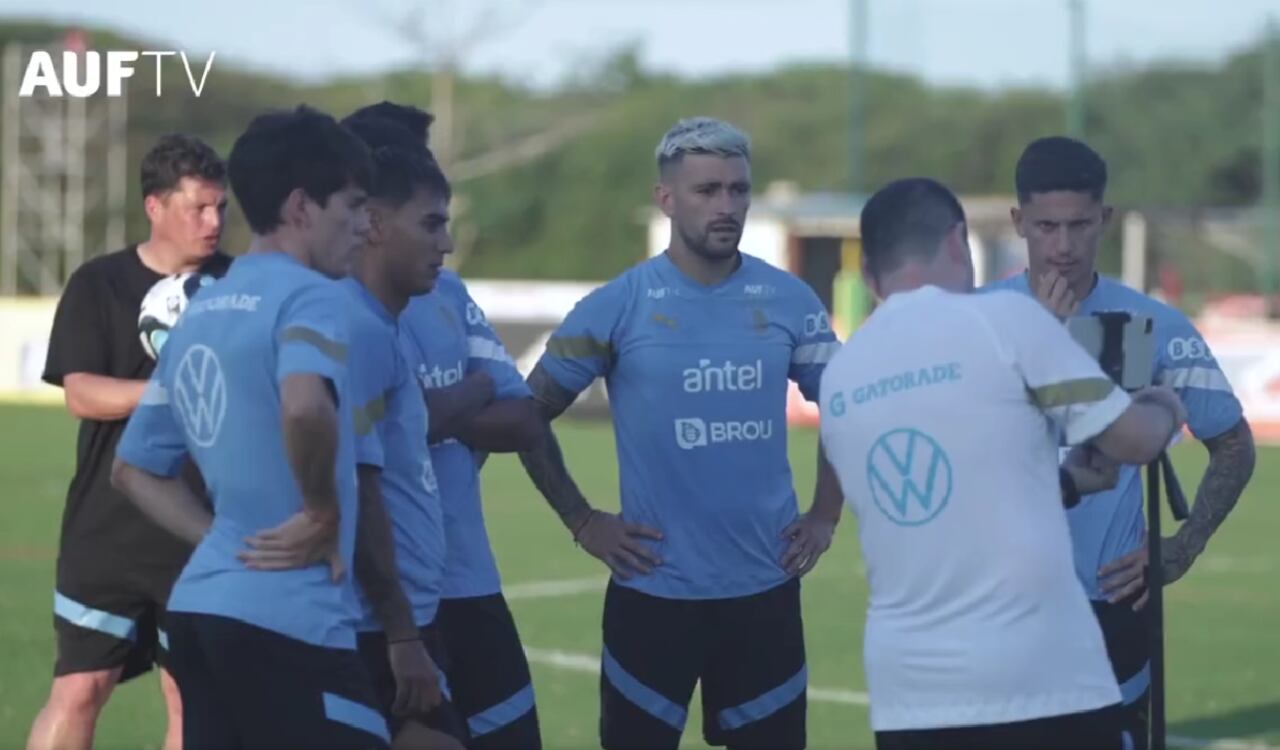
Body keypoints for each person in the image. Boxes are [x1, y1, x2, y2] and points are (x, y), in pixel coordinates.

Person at [817, 176, 1191, 750]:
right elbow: (1136, 442)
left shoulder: (841, 375)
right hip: (1042, 681)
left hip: (908, 698)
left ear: (868, 273)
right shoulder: (1007, 324)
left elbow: (943, 496)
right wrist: (1165, 404)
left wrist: (1064, 482)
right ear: (957, 242)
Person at [518, 116, 843, 750]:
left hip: (764, 592)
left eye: (738, 189)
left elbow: (846, 404)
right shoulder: (617, 305)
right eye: (707, 190)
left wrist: (826, 511)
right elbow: (525, 415)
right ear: (665, 198)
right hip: (653, 596)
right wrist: (583, 520)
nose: (727, 206)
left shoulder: (790, 300)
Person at [109, 105, 392, 748]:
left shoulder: (204, 311)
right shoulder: (310, 295)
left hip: (202, 612)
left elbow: (134, 469)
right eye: (351, 206)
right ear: (301, 207)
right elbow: (303, 405)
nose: (363, 226)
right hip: (290, 622)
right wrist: (322, 511)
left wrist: (226, 542)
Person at [982, 136, 1257, 747]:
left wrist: (1181, 548)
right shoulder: (970, 320)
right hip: (993, 609)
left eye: (1080, 225)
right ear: (1018, 222)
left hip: (1110, 607)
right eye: (1046, 226)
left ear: (1104, 220)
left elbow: (1234, 443)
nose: (1062, 246)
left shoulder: (1153, 324)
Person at [345, 100, 545, 749]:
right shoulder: (335, 314)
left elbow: (521, 419)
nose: (446, 238)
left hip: (464, 580)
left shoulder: (448, 295)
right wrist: (468, 395)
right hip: (373, 605)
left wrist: (449, 410)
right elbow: (383, 442)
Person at [29, 133, 230, 750]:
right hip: (107, 529)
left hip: (204, 529)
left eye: (221, 207)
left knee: (190, 697)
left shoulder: (241, 285)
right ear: (155, 207)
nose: (214, 221)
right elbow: (82, 394)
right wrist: (173, 391)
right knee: (81, 687)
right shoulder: (100, 284)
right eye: (198, 207)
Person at [336, 110, 471, 748]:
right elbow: (360, 494)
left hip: (402, 622)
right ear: (375, 224)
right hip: (371, 630)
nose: (445, 244)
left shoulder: (380, 326)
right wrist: (399, 634)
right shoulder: (357, 330)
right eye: (432, 224)